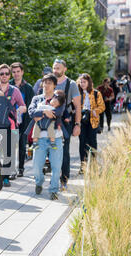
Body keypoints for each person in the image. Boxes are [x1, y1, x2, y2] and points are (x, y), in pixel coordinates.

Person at [0, 63, 26, 187]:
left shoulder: (15, 91)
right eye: (1, 73)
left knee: (8, 152)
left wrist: (20, 110)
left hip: (9, 125)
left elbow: (23, 105)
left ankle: (6, 178)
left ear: (10, 75)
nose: (4, 76)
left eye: (7, 73)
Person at [28, 74, 67, 200]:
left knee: (56, 166)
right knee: (37, 166)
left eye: (49, 83)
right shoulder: (36, 98)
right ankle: (39, 182)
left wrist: (40, 115)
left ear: (54, 85)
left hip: (55, 137)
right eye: (45, 82)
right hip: (39, 138)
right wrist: (45, 112)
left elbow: (58, 113)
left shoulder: (59, 98)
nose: (46, 85)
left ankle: (53, 190)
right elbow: (31, 112)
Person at [52, 58, 81, 191]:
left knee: (64, 151)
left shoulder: (72, 84)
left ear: (65, 69)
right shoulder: (48, 82)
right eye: (54, 67)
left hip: (65, 122)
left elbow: (78, 106)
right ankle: (52, 178)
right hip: (50, 120)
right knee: (50, 150)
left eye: (58, 68)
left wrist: (77, 124)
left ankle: (64, 179)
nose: (55, 70)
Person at [9, 62, 34, 178]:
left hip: (24, 121)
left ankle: (21, 168)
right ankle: (11, 170)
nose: (16, 74)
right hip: (11, 122)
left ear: (22, 72)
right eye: (13, 72)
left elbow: (31, 106)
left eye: (18, 71)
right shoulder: (8, 86)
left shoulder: (28, 88)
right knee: (11, 146)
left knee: (22, 145)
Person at [76, 73, 105, 174]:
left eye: (84, 82)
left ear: (89, 82)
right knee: (82, 142)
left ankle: (93, 165)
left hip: (93, 121)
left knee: (92, 142)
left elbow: (102, 106)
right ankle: (83, 166)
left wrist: (95, 111)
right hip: (81, 121)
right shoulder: (77, 94)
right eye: (81, 82)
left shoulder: (96, 93)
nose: (82, 84)